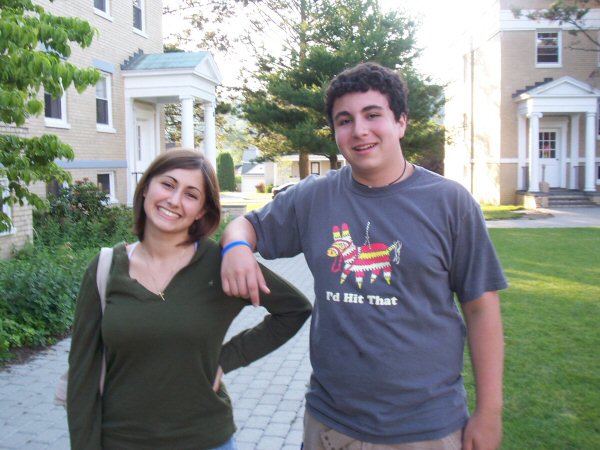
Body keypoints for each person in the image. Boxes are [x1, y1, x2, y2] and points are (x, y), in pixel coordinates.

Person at [220, 63, 507, 450]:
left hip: (426, 428)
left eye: (373, 115)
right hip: (331, 424)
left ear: (401, 122)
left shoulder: (450, 203)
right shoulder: (314, 197)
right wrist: (236, 248)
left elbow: (481, 308)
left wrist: (489, 411)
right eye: (345, 120)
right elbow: (244, 226)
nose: (359, 130)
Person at [67, 149, 312, 450]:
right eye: (167, 184)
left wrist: (227, 358)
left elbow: (294, 309)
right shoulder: (105, 268)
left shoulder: (220, 265)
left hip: (207, 440)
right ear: (145, 188)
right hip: (122, 441)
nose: (174, 200)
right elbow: (82, 376)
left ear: (201, 211)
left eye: (191, 194)